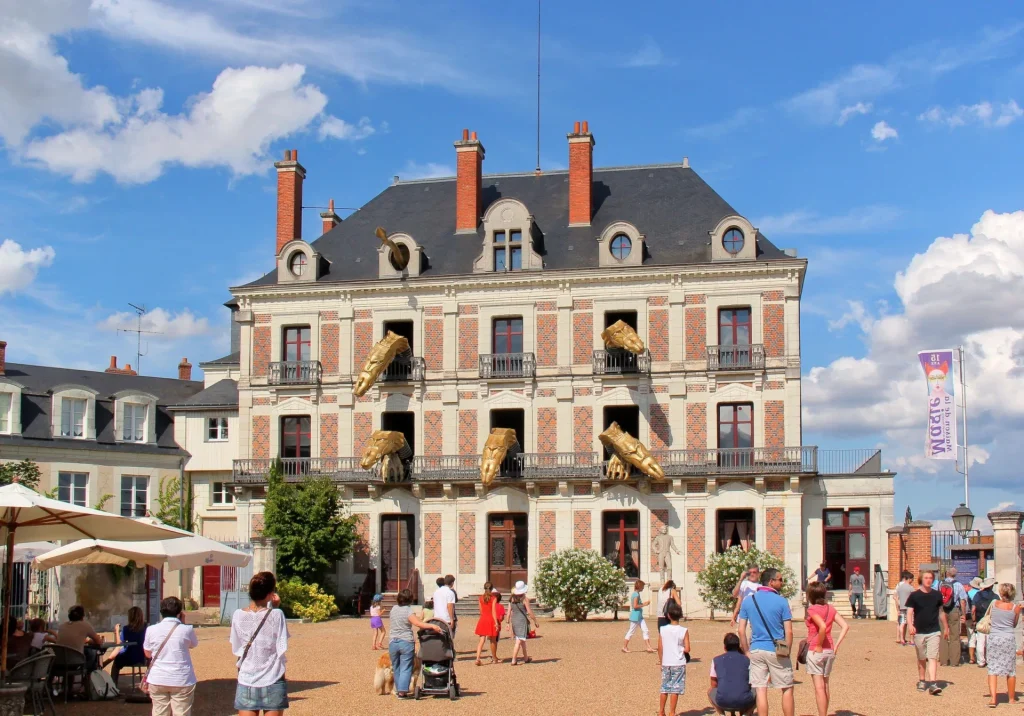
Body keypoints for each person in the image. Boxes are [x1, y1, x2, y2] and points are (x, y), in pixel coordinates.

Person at [737, 568, 794, 716]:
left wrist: (746, 650)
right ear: (771, 582)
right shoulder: (782, 601)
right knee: (787, 687)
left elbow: (741, 630)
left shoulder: (749, 601)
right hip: (776, 649)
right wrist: (787, 649)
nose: (782, 582)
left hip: (756, 649)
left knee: (761, 689)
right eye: (780, 579)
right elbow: (789, 631)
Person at [230, 572, 289, 716]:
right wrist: (275, 607)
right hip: (273, 676)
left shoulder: (238, 615)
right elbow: (281, 644)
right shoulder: (277, 614)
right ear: (270, 594)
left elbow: (237, 647)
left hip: (247, 677)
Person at [143, 597, 199, 716]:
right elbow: (193, 644)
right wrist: (183, 623)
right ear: (180, 613)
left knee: (159, 712)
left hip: (158, 678)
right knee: (181, 713)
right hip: (181, 678)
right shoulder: (187, 630)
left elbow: (147, 653)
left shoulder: (151, 630)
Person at [805, 581, 850, 716]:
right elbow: (845, 626)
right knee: (825, 685)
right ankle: (823, 712)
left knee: (819, 687)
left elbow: (822, 626)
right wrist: (836, 645)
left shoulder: (812, 609)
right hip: (830, 649)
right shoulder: (831, 608)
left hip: (816, 649)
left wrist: (818, 644)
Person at [388, 588, 442, 699]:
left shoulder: (393, 609)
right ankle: (402, 691)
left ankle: (399, 690)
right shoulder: (408, 610)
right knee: (406, 667)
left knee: (396, 667)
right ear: (410, 600)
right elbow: (418, 623)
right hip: (405, 641)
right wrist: (432, 625)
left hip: (393, 641)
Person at [906, 569, 949, 695]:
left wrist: (945, 627)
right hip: (919, 631)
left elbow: (941, 612)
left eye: (930, 578)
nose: (928, 580)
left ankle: (933, 683)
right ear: (921, 579)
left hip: (934, 630)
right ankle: (922, 680)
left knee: (932, 657)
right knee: (921, 657)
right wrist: (910, 625)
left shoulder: (937, 595)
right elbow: (909, 612)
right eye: (926, 578)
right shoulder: (914, 596)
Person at [983, 583, 1020, 708]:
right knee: (1011, 670)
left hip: (995, 637)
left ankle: (993, 698)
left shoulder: (994, 604)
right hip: (1008, 638)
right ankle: (1011, 698)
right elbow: (1014, 624)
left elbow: (991, 618)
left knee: (993, 668)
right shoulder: (1015, 607)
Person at [708, 633, 756, 716]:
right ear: (738, 646)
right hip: (744, 700)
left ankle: (721, 713)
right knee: (759, 691)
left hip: (723, 701)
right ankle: (746, 713)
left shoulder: (716, 660)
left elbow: (713, 684)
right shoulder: (747, 660)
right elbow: (752, 681)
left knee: (710, 692)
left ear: (725, 647)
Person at [657, 601, 690, 716]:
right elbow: (687, 648)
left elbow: (660, 647)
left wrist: (661, 661)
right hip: (678, 662)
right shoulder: (684, 630)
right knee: (675, 689)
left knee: (664, 687)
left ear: (668, 615)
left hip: (667, 662)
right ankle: (672, 712)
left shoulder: (663, 629)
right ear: (680, 615)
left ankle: (661, 711)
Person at [105, 606, 148, 688]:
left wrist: (117, 631)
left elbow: (119, 643)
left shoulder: (126, 629)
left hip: (129, 657)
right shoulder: (146, 628)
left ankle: (113, 686)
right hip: (142, 656)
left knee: (116, 663)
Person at [55, 605, 104, 670]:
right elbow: (98, 642)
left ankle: (72, 678)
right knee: (93, 653)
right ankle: (88, 676)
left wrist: (88, 641)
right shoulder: (85, 625)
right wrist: (95, 640)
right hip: (74, 662)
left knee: (86, 652)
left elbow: (71, 640)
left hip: (59, 662)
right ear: (82, 616)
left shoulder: (62, 626)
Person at [937, 566, 968, 667]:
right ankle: (954, 661)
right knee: (955, 637)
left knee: (943, 634)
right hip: (954, 609)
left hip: (942, 610)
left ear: (947, 573)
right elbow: (963, 601)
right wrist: (963, 614)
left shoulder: (940, 583)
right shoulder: (958, 585)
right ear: (955, 574)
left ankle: (944, 660)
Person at [507, 581, 539, 666]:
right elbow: (529, 611)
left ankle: (526, 658)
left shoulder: (511, 598)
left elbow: (509, 611)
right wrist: (535, 621)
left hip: (514, 620)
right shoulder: (524, 599)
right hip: (521, 621)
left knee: (522, 640)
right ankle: (513, 659)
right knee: (518, 641)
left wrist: (507, 622)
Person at [972, 577, 998, 668]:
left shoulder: (978, 595)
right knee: (990, 642)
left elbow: (973, 609)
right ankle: (990, 660)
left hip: (980, 620)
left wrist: (974, 620)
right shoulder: (995, 597)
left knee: (980, 642)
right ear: (991, 586)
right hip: (991, 621)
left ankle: (981, 661)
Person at [622, 580, 655, 653]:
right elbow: (635, 606)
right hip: (635, 616)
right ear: (639, 586)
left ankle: (648, 647)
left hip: (639, 616)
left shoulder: (636, 594)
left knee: (645, 630)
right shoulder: (636, 595)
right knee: (631, 631)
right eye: (642, 586)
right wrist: (644, 604)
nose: (643, 588)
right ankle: (624, 647)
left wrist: (643, 604)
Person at [474, 582, 500, 666]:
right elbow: (493, 611)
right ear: (492, 589)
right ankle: (494, 657)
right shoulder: (493, 598)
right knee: (493, 640)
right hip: (490, 619)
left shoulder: (480, 598)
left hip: (483, 618)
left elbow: (480, 611)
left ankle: (478, 658)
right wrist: (496, 622)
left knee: (481, 640)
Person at [894, 571, 915, 645]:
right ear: (909, 579)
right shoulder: (911, 588)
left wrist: (898, 608)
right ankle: (912, 640)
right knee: (911, 623)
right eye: (912, 579)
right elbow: (914, 598)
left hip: (902, 607)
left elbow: (896, 597)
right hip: (909, 608)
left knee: (902, 623)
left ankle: (902, 639)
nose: (912, 580)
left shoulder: (899, 588)